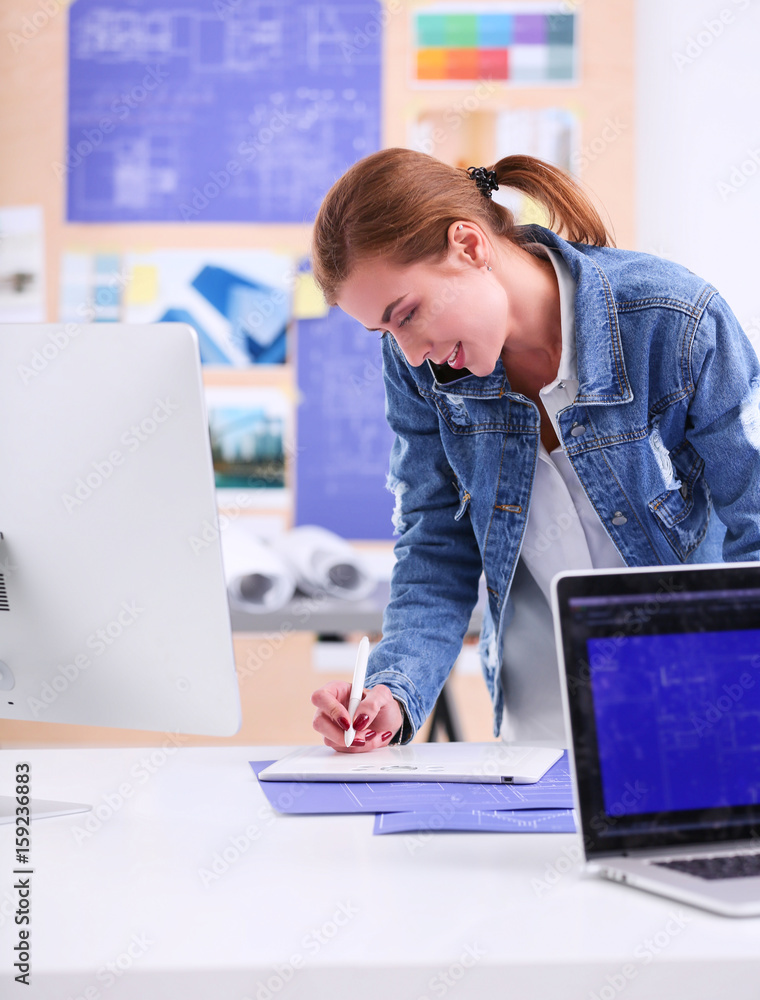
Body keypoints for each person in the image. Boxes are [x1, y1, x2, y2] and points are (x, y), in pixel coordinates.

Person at [308, 147, 760, 753]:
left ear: (468, 246)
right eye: (386, 331)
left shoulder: (671, 319)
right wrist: (392, 692)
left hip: (698, 704)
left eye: (408, 314)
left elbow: (754, 523)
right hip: (537, 727)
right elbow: (435, 543)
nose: (411, 354)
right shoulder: (419, 370)